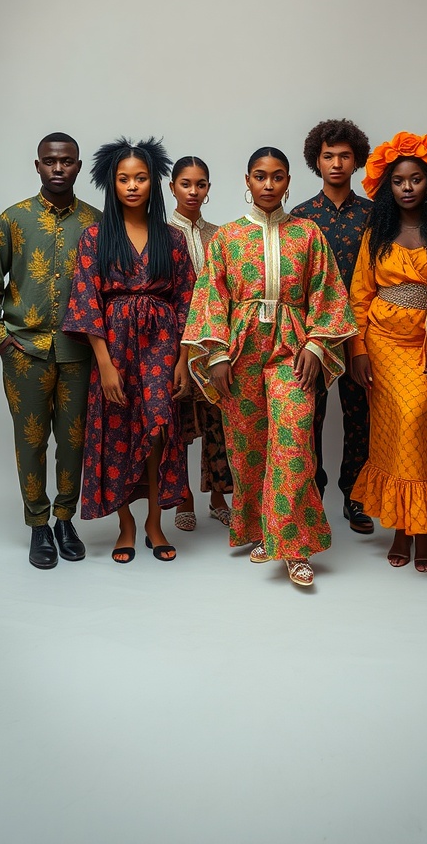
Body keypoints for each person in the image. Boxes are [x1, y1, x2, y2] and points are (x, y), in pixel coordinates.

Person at [182, 147, 357, 587]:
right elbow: (211, 298)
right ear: (247, 181)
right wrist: (216, 356)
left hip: (292, 349)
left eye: (277, 176)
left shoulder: (308, 234)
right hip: (239, 352)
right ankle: (264, 529)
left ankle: (295, 548)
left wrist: (316, 345)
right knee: (248, 447)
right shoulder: (228, 238)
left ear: (288, 182)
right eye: (260, 176)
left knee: (294, 443)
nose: (268, 184)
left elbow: (328, 293)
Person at [62, 137, 195, 563]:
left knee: (158, 428)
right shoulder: (95, 236)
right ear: (111, 183)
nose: (133, 186)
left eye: (140, 178)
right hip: (114, 345)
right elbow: (87, 301)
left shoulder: (172, 238)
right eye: (124, 179)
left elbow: (188, 301)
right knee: (117, 430)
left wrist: (183, 361)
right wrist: (104, 364)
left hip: (162, 343)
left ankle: (155, 522)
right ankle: (126, 525)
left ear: (153, 182)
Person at [0, 132, 101, 568]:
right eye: (50, 161)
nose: (58, 168)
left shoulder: (97, 223)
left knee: (73, 441)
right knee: (30, 442)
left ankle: (65, 520)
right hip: (25, 352)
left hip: (79, 353)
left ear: (78, 166)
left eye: (66, 161)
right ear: (38, 165)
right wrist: (0, 339)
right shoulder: (12, 220)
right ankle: (38, 524)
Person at [349, 132, 427, 571]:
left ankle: (422, 527)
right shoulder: (376, 232)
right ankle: (400, 526)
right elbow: (360, 294)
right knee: (392, 426)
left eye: (416, 179)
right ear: (387, 186)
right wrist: (358, 349)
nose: (407, 187)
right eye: (398, 181)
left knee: (417, 421)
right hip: (382, 342)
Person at [291, 118, 373, 534]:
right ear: (316, 161)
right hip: (314, 334)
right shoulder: (301, 217)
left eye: (344, 155)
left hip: (361, 333)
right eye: (328, 156)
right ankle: (312, 494)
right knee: (310, 416)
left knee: (361, 416)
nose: (336, 163)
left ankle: (356, 497)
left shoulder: (374, 215)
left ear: (356, 160)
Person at [169, 155, 233, 531]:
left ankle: (218, 497)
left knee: (217, 421)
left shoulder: (222, 235)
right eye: (186, 184)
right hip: (173, 343)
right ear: (172, 187)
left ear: (208, 188)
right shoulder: (161, 234)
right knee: (179, 423)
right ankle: (184, 498)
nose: (193, 191)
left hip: (213, 342)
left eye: (201, 184)